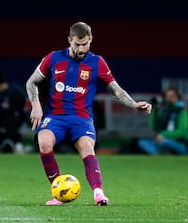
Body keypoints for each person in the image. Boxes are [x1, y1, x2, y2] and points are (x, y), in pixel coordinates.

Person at [25, 22, 152, 206]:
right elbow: (31, 82)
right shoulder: (53, 58)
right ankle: (60, 192)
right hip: (55, 117)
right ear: (69, 40)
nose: (81, 49)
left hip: (81, 119)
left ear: (91, 40)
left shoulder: (97, 62)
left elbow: (115, 90)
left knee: (87, 147)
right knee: (44, 143)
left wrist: (133, 104)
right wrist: (36, 104)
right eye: (77, 44)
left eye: (85, 44)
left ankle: (99, 194)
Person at [138, 87, 188, 155]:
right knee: (142, 142)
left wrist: (163, 134)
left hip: (179, 143)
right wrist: (155, 109)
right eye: (167, 96)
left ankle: (160, 153)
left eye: (172, 96)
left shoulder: (182, 112)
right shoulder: (164, 112)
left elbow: (181, 132)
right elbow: (154, 127)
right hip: (161, 141)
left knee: (164, 142)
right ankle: (160, 154)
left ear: (177, 98)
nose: (169, 98)